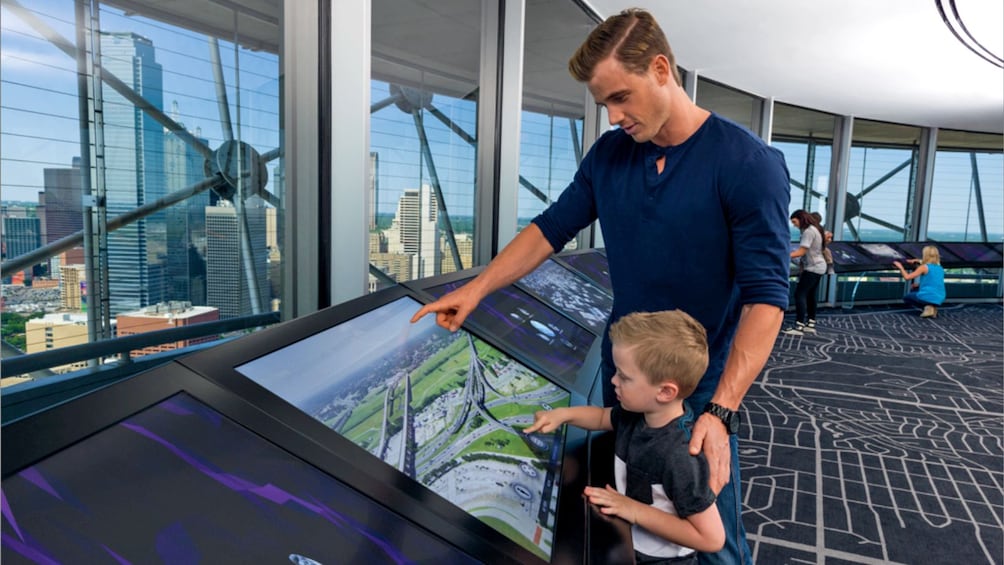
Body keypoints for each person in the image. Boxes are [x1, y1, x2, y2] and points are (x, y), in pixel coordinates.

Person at [411, 9, 791, 563]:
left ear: (661, 69)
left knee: (711, 536)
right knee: (636, 528)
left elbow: (766, 298)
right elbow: (551, 227)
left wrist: (722, 412)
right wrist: (478, 288)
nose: (613, 117)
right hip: (629, 374)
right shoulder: (611, 155)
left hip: (694, 390)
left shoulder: (747, 164)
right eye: (604, 103)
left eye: (621, 97)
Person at [524, 310, 725, 563]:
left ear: (664, 391)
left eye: (624, 377)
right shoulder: (638, 415)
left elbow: (711, 538)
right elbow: (600, 418)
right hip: (634, 543)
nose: (613, 380)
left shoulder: (679, 456)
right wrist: (563, 415)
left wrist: (632, 510)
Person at [782, 210, 828, 336]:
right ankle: (810, 323)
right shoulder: (816, 229)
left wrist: (783, 255)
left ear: (801, 219)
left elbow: (801, 251)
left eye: (794, 221)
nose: (794, 225)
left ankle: (799, 326)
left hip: (813, 268)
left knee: (799, 295)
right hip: (819, 266)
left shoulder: (808, 231)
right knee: (810, 295)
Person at [893, 245, 945, 318]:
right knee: (916, 289)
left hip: (928, 296)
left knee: (907, 298)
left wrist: (900, 267)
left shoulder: (923, 267)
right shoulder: (940, 268)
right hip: (940, 297)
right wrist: (917, 284)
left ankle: (927, 307)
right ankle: (932, 307)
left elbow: (907, 277)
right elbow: (934, 281)